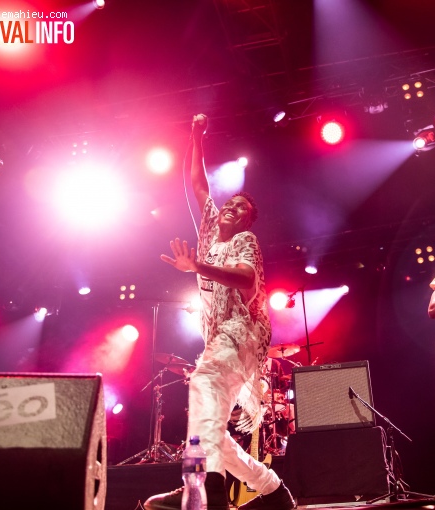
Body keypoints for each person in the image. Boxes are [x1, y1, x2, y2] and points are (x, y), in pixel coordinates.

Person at [142, 115, 295, 510]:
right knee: (211, 426)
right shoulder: (209, 232)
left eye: (240, 208)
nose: (231, 208)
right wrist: (195, 138)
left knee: (203, 383)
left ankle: (199, 484)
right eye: (230, 204)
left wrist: (198, 268)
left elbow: (246, 279)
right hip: (220, 336)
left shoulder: (246, 240)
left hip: (243, 331)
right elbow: (197, 184)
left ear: (247, 219)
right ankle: (275, 492)